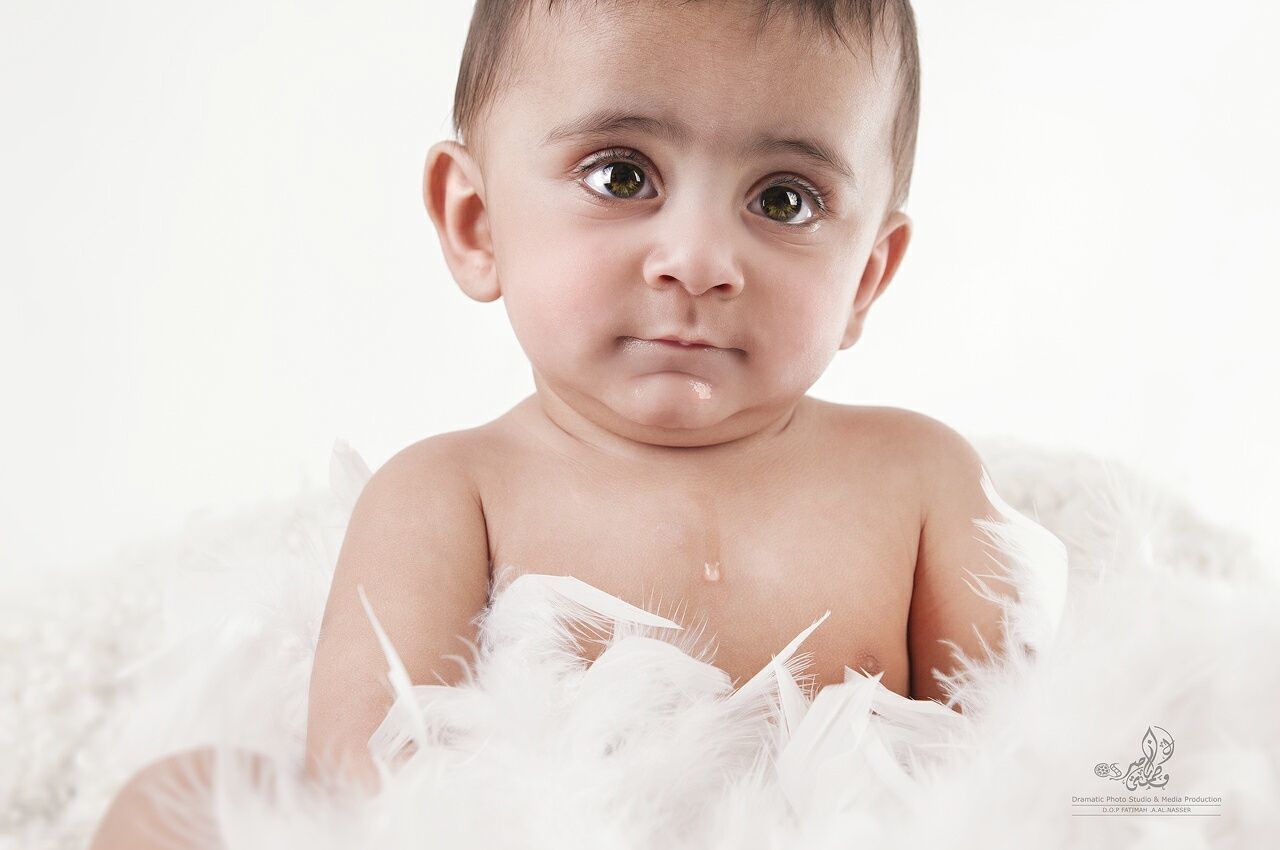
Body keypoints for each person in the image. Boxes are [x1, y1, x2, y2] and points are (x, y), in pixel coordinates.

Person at [90, 1, 1018, 846]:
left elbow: (1030, 767)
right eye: (622, 175)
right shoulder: (450, 494)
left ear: (866, 275)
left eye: (785, 199)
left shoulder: (917, 482)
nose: (698, 261)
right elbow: (370, 802)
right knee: (175, 806)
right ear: (477, 222)